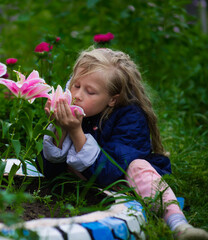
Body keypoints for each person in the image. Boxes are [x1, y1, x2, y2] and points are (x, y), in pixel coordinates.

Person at [39, 47, 208, 240]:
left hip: (123, 179)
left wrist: (76, 132)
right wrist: (59, 128)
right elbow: (50, 173)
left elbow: (109, 173)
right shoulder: (77, 109)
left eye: (90, 91)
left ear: (112, 99)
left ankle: (178, 224)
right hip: (87, 183)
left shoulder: (131, 117)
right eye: (75, 85)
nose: (77, 95)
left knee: (139, 167)